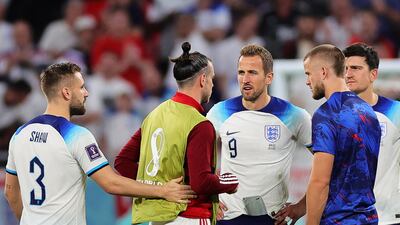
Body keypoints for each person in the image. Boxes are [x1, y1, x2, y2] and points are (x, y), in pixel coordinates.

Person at [3, 62, 196, 225]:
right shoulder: (76, 135)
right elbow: (111, 183)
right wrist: (163, 190)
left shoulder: (20, 134)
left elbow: (11, 193)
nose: (86, 93)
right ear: (66, 93)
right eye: (82, 87)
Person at [114, 42, 238, 225]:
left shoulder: (154, 115)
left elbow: (122, 162)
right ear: (203, 79)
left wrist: (160, 187)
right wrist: (229, 181)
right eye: (211, 78)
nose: (212, 84)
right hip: (190, 216)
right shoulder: (200, 124)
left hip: (157, 219)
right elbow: (201, 182)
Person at [206, 44, 312, 225]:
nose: (245, 79)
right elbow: (196, 159)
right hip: (228, 218)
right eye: (241, 72)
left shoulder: (295, 115)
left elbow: (327, 163)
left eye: (253, 73)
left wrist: (302, 206)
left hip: (272, 219)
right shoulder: (219, 112)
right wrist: (207, 198)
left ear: (269, 77)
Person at [303, 44, 381, 224]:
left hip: (338, 219)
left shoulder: (326, 114)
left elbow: (320, 182)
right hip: (368, 218)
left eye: (308, 73)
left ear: (323, 72)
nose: (307, 81)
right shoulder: (368, 111)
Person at [343, 43, 400, 225]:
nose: (348, 74)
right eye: (345, 69)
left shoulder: (395, 112)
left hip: (388, 217)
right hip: (347, 218)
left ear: (373, 74)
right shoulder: (332, 117)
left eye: (356, 68)